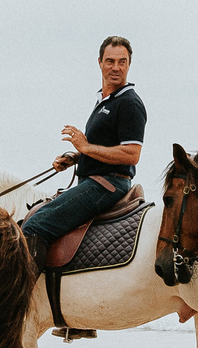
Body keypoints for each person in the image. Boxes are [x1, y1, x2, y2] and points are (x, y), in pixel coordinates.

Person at [21, 35, 147, 262]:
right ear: (99, 62)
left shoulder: (129, 103)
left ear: (129, 64)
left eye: (122, 62)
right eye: (110, 61)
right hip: (94, 180)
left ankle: (20, 294)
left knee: (35, 226)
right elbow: (105, 146)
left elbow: (132, 154)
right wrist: (76, 157)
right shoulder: (104, 101)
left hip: (108, 184)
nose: (116, 67)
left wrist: (86, 146)